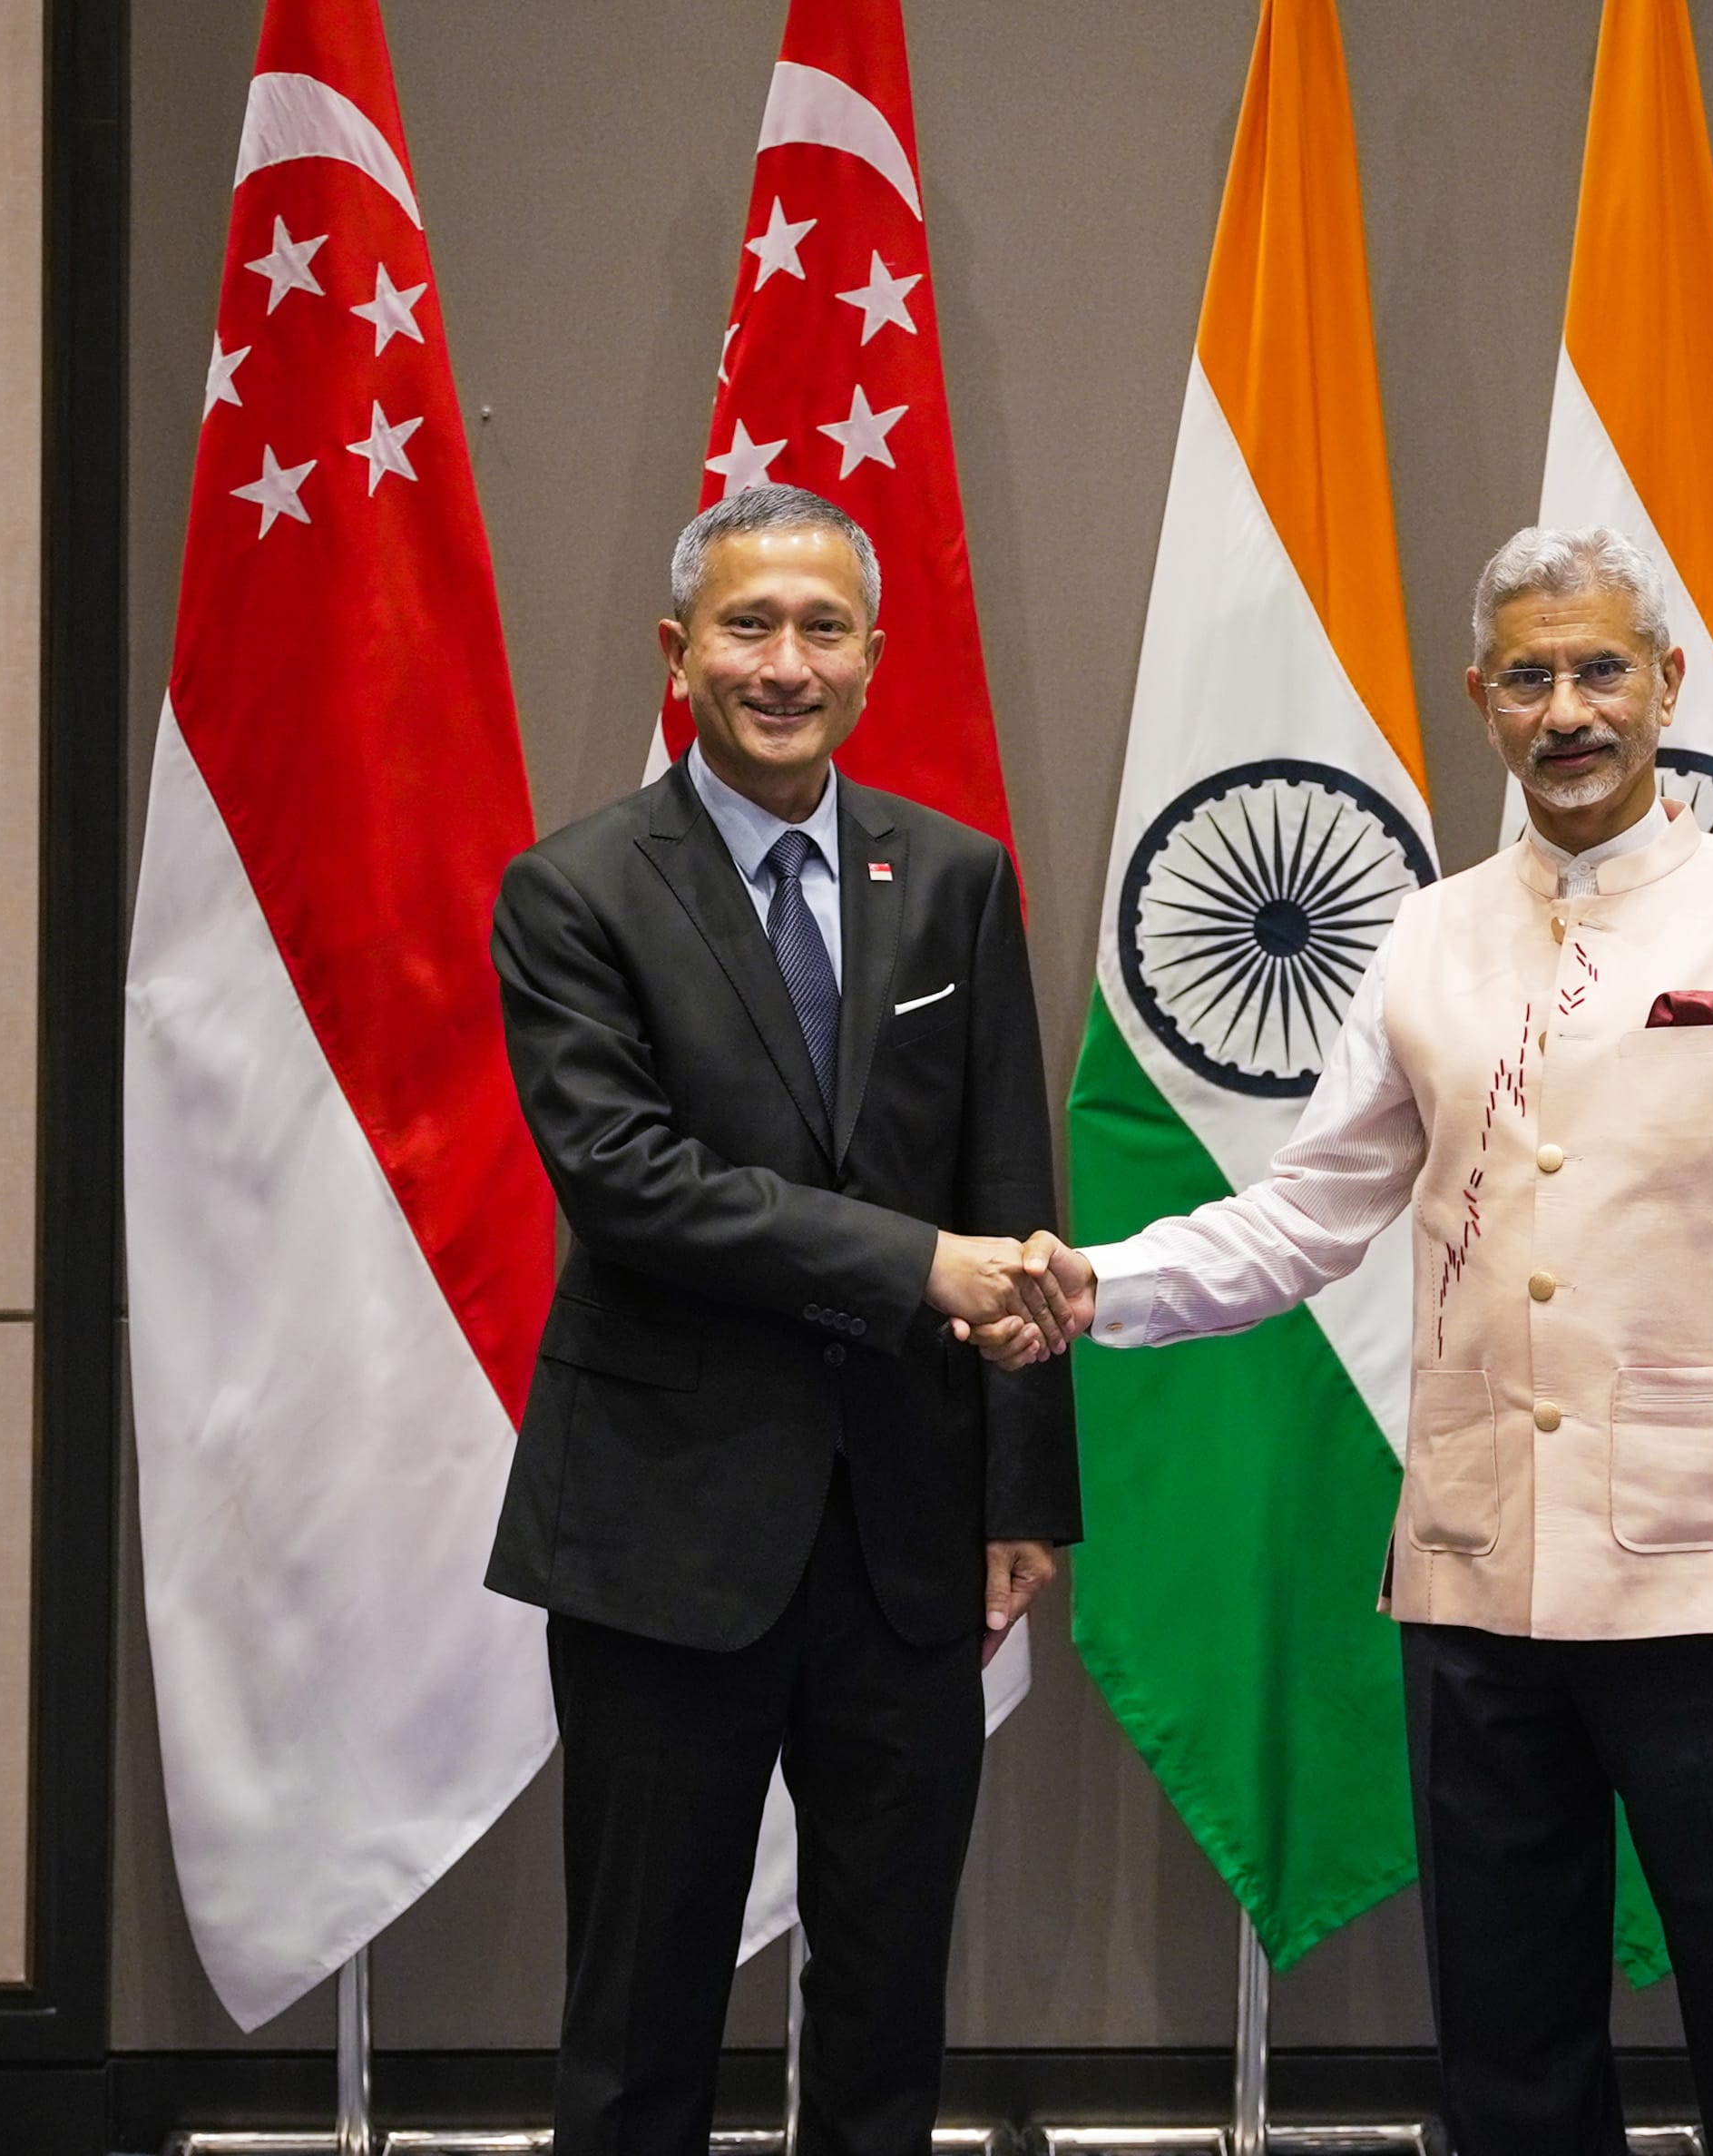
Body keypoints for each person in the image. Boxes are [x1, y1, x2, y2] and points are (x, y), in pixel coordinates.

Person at [984, 528, 1713, 2156]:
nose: (1572, 709)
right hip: (1477, 1574)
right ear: (1484, 701)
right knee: (1506, 2046)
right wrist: (1088, 1288)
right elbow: (1303, 1217)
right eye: (1534, 677)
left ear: (1666, 685)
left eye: (1604, 670)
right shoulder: (1426, 937)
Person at [486, 484, 1078, 2156]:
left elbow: (1010, 1185)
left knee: (890, 2003)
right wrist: (908, 1266)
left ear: (876, 660)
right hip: (666, 1539)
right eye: (748, 628)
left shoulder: (953, 876)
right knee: (640, 2009)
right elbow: (628, 1182)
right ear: (679, 655)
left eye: (824, 630)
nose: (786, 663)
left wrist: (1022, 1492)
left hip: (905, 1540)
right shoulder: (577, 890)